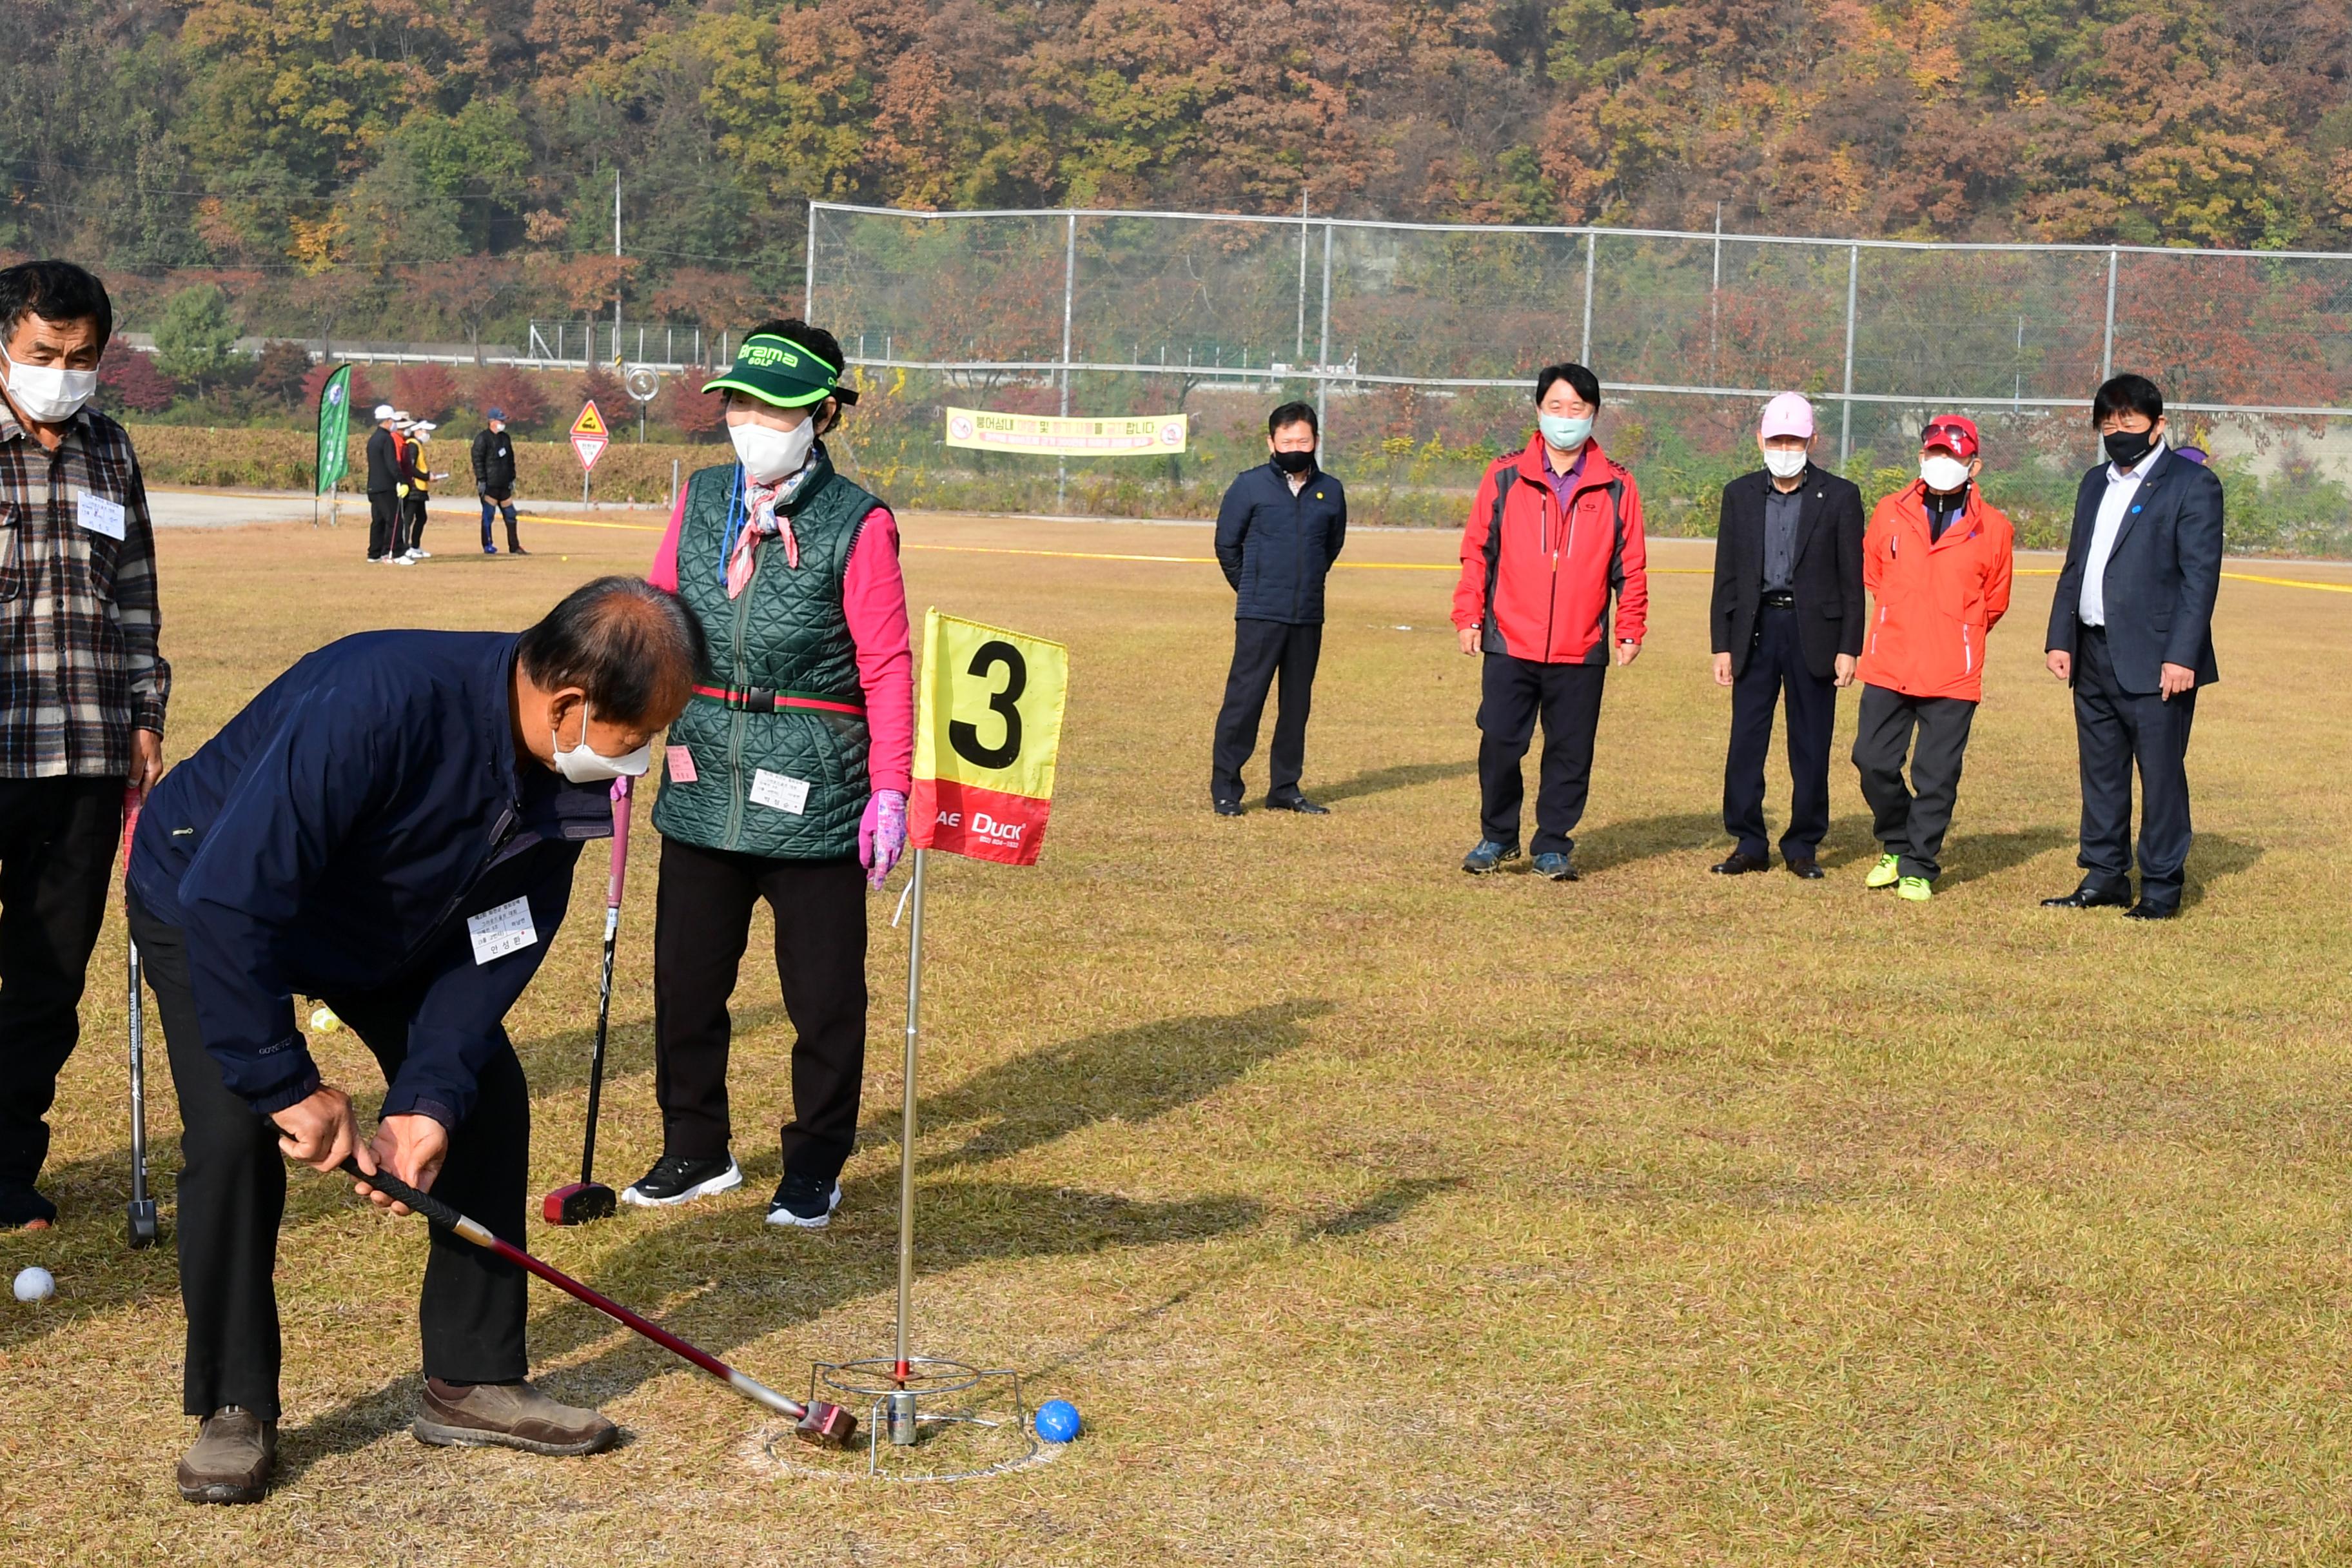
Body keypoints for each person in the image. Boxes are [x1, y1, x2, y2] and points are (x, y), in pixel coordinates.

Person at [124, 578, 702, 1504]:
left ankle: (473, 1378)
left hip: (390, 927)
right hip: (210, 891)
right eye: (633, 742)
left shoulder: (561, 781)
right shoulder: (379, 700)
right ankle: (234, 1406)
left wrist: (426, 1101)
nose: (636, 762)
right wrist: (284, 1080)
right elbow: (232, 900)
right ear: (569, 704)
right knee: (236, 1134)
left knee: (484, 1093)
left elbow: (494, 948)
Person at [627, 320, 912, 1230]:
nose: (751, 421)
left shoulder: (859, 522)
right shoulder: (703, 497)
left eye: (775, 406)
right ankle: (695, 1147)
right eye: (741, 402)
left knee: (824, 998)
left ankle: (816, 1162)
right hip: (703, 771)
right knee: (685, 981)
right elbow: (655, 618)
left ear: (820, 415)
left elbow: (887, 665)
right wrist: (628, 729)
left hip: (817, 790)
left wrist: (891, 788)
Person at [0, 259, 171, 1228]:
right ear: (6, 346)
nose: (62, 371)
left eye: (81, 357)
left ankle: (8, 1166)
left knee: (47, 977)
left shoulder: (111, 451)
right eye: (42, 354)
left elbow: (137, 597)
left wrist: (146, 713)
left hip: (88, 759)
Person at [1451, 362, 1647, 881]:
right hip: (1510, 639)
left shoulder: (1618, 486)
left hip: (1581, 647)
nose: (1566, 418)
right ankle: (1497, 836)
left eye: (1577, 409)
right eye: (1556, 407)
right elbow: (1478, 552)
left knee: (1570, 751)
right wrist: (1469, 614)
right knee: (1499, 743)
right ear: (1539, 411)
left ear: (1594, 415)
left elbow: (1631, 565)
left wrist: (1630, 627)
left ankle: (1553, 845)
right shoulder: (1505, 475)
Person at [2040, 374, 2222, 921]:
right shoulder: (2095, 482)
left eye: (2130, 421)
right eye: (2108, 421)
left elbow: (2200, 579)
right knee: (2101, 771)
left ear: (2158, 425)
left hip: (2158, 657)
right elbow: (2077, 564)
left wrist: (2182, 655)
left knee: (2162, 776)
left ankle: (2162, 888)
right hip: (2091, 653)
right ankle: (2104, 877)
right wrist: (2059, 637)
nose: (2117, 431)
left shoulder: (2192, 485)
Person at [1851, 415, 2014, 901]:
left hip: (1952, 672)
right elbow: (1876, 575)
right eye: (1934, 453)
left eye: (1954, 456)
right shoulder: (1888, 512)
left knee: (1936, 775)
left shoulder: (1996, 528)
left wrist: (1955, 631)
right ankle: (1897, 842)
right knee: (1872, 761)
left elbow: (1995, 601)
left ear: (1974, 464)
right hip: (1889, 661)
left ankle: (1920, 863)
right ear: (1921, 458)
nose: (1942, 463)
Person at [1708, 393, 1865, 878]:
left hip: (1813, 632)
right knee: (1746, 742)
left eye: (1794, 440)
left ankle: (1803, 845)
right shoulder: (1739, 494)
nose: (1785, 447)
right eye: (1776, 439)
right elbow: (1726, 576)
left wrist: (1849, 648)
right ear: (1760, 439)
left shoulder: (1840, 496)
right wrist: (1721, 644)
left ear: (1812, 440)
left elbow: (1851, 579)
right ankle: (1748, 842)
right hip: (1754, 630)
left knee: (1811, 744)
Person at [1209, 401, 1347, 816]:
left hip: (1306, 616)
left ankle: (1285, 788)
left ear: (1316, 441)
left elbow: (1331, 546)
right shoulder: (1249, 486)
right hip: (1260, 613)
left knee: (1296, 706)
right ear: (1271, 442)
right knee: (1244, 701)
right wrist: (1251, 587)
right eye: (1286, 440)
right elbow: (1226, 544)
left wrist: (1305, 584)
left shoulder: (1331, 491)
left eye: (1302, 440)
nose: (1295, 446)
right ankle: (1227, 790)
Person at [472, 407, 526, 556]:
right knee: (488, 516)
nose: (503, 423)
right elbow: (477, 460)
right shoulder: (482, 438)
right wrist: (482, 480)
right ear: (492, 422)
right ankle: (488, 545)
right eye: (500, 420)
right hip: (489, 486)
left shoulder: (505, 438)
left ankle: (514, 546)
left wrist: (512, 478)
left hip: (504, 486)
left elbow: (511, 460)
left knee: (511, 516)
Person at [364, 404, 404, 563]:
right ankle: (394, 553)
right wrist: (402, 480)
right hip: (386, 486)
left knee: (378, 521)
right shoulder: (387, 439)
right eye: (392, 421)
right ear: (387, 421)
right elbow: (392, 464)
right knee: (394, 520)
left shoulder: (373, 439)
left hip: (373, 486)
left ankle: (374, 553)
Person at [401, 419, 443, 560]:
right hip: (414, 487)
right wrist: (426, 476)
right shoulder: (412, 445)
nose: (427, 434)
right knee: (408, 518)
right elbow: (411, 468)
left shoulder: (418, 445)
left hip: (421, 488)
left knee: (421, 517)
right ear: (417, 431)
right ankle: (405, 548)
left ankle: (415, 546)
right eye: (425, 431)